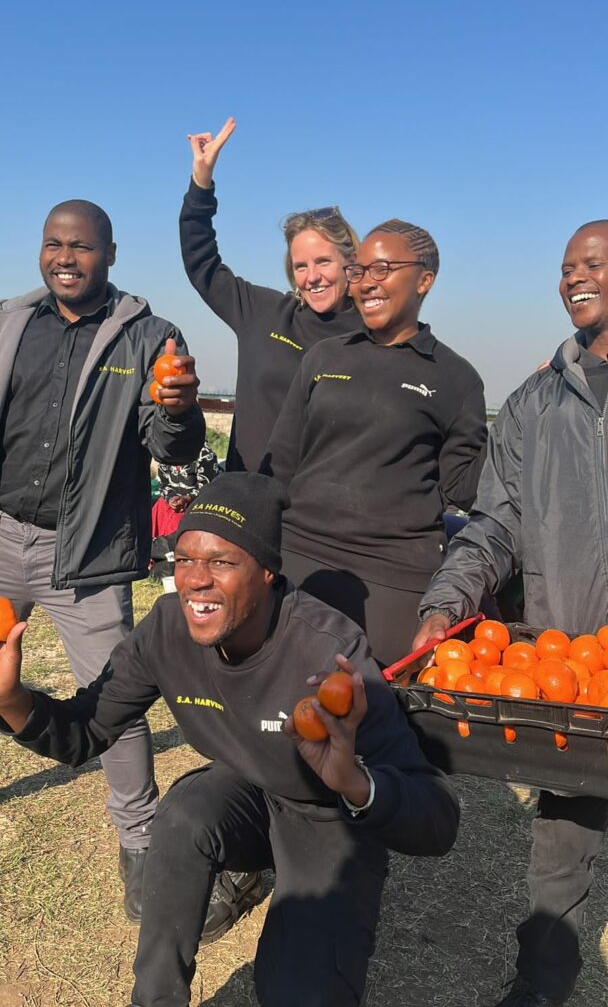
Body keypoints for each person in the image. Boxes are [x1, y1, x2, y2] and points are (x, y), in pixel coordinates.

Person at [0, 471, 460, 1007]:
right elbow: (87, 730)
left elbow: (438, 821)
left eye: (221, 562)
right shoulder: (168, 628)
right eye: (185, 559)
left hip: (327, 817)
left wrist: (354, 782)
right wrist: (12, 700)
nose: (196, 579)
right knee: (182, 814)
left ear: (266, 571)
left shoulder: (329, 654)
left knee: (298, 994)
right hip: (246, 790)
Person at [413, 220, 608, 1006]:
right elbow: (495, 525)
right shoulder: (534, 403)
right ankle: (538, 992)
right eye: (566, 268)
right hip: (572, 673)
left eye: (593, 263)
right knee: (561, 852)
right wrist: (446, 602)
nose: (575, 279)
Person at [0, 199, 204, 920]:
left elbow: (171, 448)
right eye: (53, 244)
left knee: (111, 705)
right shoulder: (9, 321)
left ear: (111, 254)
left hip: (82, 552)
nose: (65, 257)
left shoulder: (150, 337)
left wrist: (179, 410)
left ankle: (140, 840)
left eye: (81, 247)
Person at [264, 218, 487, 667]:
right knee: (285, 714)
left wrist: (528, 415)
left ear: (425, 279)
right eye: (359, 271)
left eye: (382, 269)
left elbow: (467, 489)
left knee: (380, 720)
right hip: (301, 560)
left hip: (396, 577)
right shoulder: (325, 357)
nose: (367, 283)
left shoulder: (456, 378)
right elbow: (281, 467)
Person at [180, 117, 362, 471]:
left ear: (349, 261)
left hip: (329, 515)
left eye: (323, 262)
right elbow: (201, 261)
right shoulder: (264, 314)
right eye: (301, 266)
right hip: (248, 503)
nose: (312, 278)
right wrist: (201, 182)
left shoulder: (372, 335)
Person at [151, 441, 221, 539]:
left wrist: (188, 498)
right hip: (171, 503)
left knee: (178, 530)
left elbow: (208, 488)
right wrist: (171, 497)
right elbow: (163, 484)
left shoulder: (204, 453)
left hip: (195, 505)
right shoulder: (166, 450)